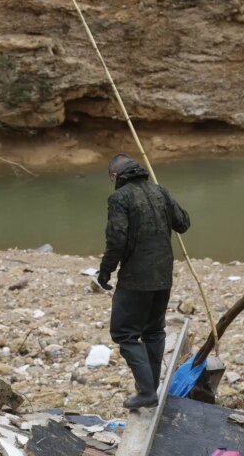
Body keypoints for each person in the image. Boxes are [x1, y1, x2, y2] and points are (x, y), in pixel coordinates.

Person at [98, 153, 191, 409]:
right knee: (153, 331)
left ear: (115, 176)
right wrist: (167, 199)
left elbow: (116, 238)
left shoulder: (120, 197)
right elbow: (183, 223)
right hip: (163, 276)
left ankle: (148, 391)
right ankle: (148, 388)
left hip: (136, 279)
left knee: (124, 333)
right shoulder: (160, 191)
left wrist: (105, 271)